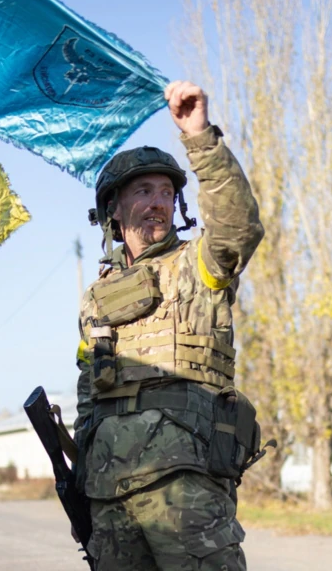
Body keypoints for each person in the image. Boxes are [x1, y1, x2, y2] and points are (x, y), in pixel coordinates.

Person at [73, 80, 264, 570]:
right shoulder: (95, 297)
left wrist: (199, 137)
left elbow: (239, 226)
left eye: (166, 192)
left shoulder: (198, 264)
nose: (158, 202)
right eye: (143, 191)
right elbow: (88, 395)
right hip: (109, 495)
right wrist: (80, 481)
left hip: (187, 486)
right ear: (113, 209)